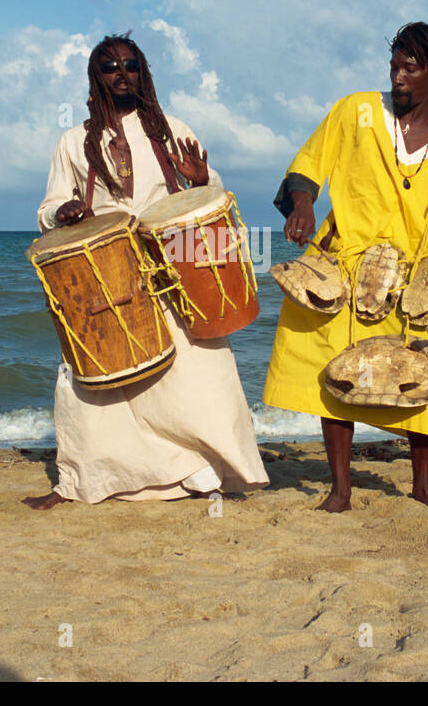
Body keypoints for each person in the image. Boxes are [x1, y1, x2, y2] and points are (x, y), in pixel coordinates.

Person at [265, 22, 428, 512]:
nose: (399, 77)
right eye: (394, 66)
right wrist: (302, 205)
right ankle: (341, 490)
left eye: (412, 67)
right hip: (348, 261)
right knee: (334, 366)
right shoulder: (355, 111)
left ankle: (422, 485)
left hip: (421, 275)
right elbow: (309, 163)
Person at [25, 33, 268, 508]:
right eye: (110, 66)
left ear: (143, 74)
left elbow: (205, 193)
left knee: (197, 367)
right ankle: (84, 481)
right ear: (96, 77)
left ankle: (204, 472)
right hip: (105, 265)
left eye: (131, 65)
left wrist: (202, 179)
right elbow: (48, 205)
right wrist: (65, 211)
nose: (122, 73)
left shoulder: (171, 127)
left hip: (170, 258)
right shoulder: (74, 141)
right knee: (95, 375)